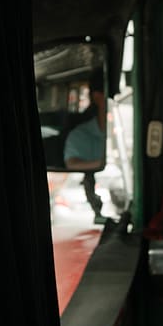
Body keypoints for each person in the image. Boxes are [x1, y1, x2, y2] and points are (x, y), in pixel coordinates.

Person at [64, 70, 108, 222]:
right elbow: (72, 164)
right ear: (97, 97)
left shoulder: (125, 132)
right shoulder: (79, 136)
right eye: (111, 96)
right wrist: (103, 163)